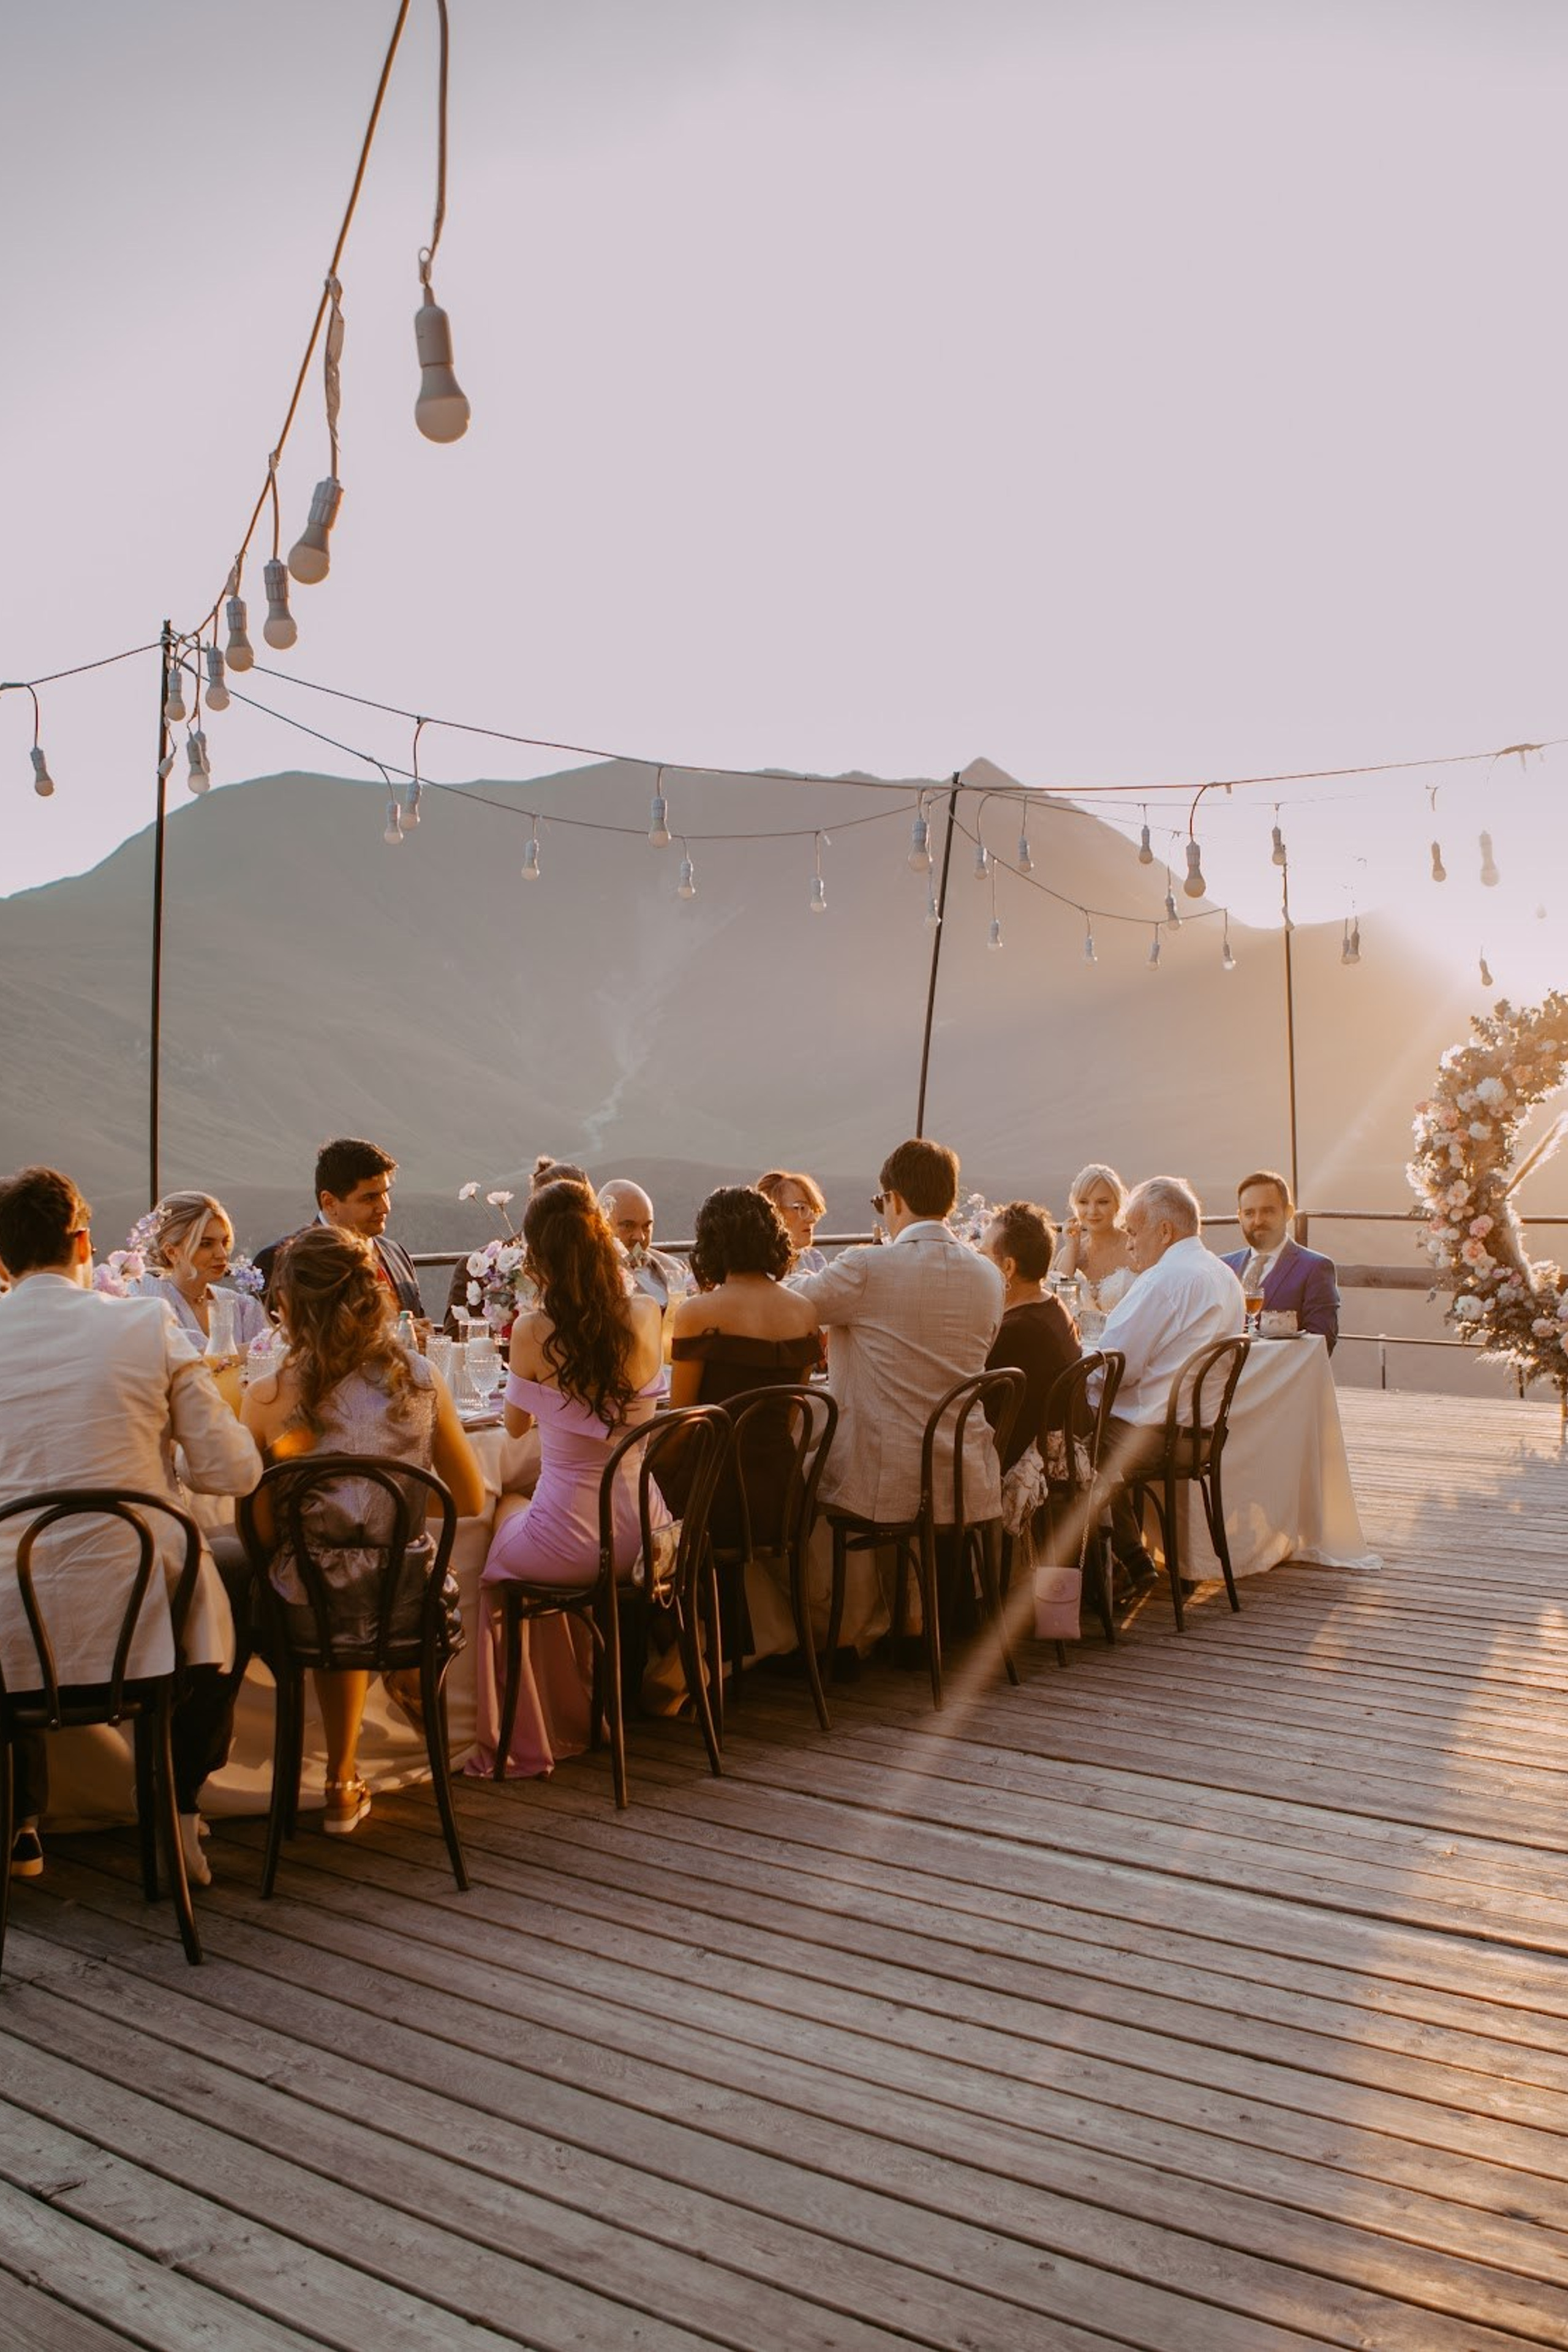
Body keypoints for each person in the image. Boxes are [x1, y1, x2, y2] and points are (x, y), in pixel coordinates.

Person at [0, 1166, 262, 1886]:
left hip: (12, 1630)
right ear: (83, 1241)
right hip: (140, 1616)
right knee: (237, 1566)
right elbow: (233, 1474)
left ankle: (21, 1820)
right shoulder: (145, 1324)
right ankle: (176, 1809)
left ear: (1, 1260)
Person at [241, 1226, 484, 1836]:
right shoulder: (422, 1379)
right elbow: (471, 1497)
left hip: (309, 1608)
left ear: (289, 1306)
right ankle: (402, 1678)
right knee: (383, 1572)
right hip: (408, 1603)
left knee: (320, 1573)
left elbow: (264, 1529)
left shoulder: (266, 1395)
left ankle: (338, 1779)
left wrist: (340, 1526)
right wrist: (385, 1513)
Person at [473, 1181, 669, 1776]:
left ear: (538, 1256)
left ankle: (531, 1731)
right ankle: (586, 1712)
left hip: (572, 1547)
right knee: (534, 1518)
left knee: (497, 1538)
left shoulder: (534, 1329)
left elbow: (511, 1429)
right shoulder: (646, 1312)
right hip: (648, 1537)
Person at [790, 1139, 1005, 1651]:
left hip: (884, 1480)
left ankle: (836, 1633)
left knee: (798, 1460)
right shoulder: (990, 1275)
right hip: (964, 1474)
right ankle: (905, 1622)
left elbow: (792, 1307)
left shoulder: (868, 1269)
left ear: (894, 1200)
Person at [1095, 1176, 1246, 1589]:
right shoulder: (1223, 1275)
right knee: (1085, 1434)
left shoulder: (1163, 1281)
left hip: (1154, 1438)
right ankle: (1130, 1559)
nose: (1128, 1243)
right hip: (1201, 1436)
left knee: (1064, 1438)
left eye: (1132, 1230)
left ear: (1164, 1231)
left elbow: (1114, 1368)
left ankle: (1115, 1567)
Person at [666, 1186, 824, 1551]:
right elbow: (787, 1417)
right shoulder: (805, 1313)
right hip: (782, 1498)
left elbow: (683, 1424)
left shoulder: (697, 1314)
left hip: (713, 1499)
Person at [255, 1137, 423, 1316]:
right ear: (329, 1202)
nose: (385, 1207)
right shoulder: (279, 1262)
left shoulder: (397, 1255)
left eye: (385, 1194)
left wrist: (422, 1333)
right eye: (369, 1198)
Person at [981, 1202, 1082, 1474]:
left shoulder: (1019, 1332)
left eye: (983, 1255)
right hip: (1053, 1446)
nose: (978, 1264)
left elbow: (981, 1413)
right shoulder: (1053, 1305)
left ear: (1008, 1267)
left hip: (1020, 1467)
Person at [132, 1191, 270, 1356]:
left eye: (224, 1242)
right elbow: (172, 1363)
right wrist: (250, 1352)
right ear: (172, 1252)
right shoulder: (147, 1297)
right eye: (206, 1244)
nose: (222, 1254)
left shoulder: (243, 1308)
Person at [1221, 1170, 1340, 1350]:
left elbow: (1322, 1343)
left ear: (1289, 1213)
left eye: (1268, 1211)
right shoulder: (1223, 1267)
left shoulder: (1316, 1268)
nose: (1258, 1221)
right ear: (1240, 1217)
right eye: (1249, 1213)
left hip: (1282, 1377)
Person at [1055, 1164, 1137, 1333]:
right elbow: (1057, 1306)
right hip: (1078, 1355)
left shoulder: (1135, 1248)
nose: (1092, 1211)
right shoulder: (1068, 1253)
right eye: (1084, 1202)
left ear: (1117, 1203)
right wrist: (1071, 1248)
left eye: (1103, 1202)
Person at [598, 1178, 689, 1311]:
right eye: (628, 1226)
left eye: (646, 1226)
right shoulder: (594, 1278)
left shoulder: (675, 1267)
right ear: (603, 1226)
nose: (640, 1237)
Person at [756, 1170, 829, 1275]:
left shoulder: (813, 1259)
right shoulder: (756, 1271)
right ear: (773, 1212)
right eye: (802, 1208)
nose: (812, 1219)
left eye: (813, 1210)